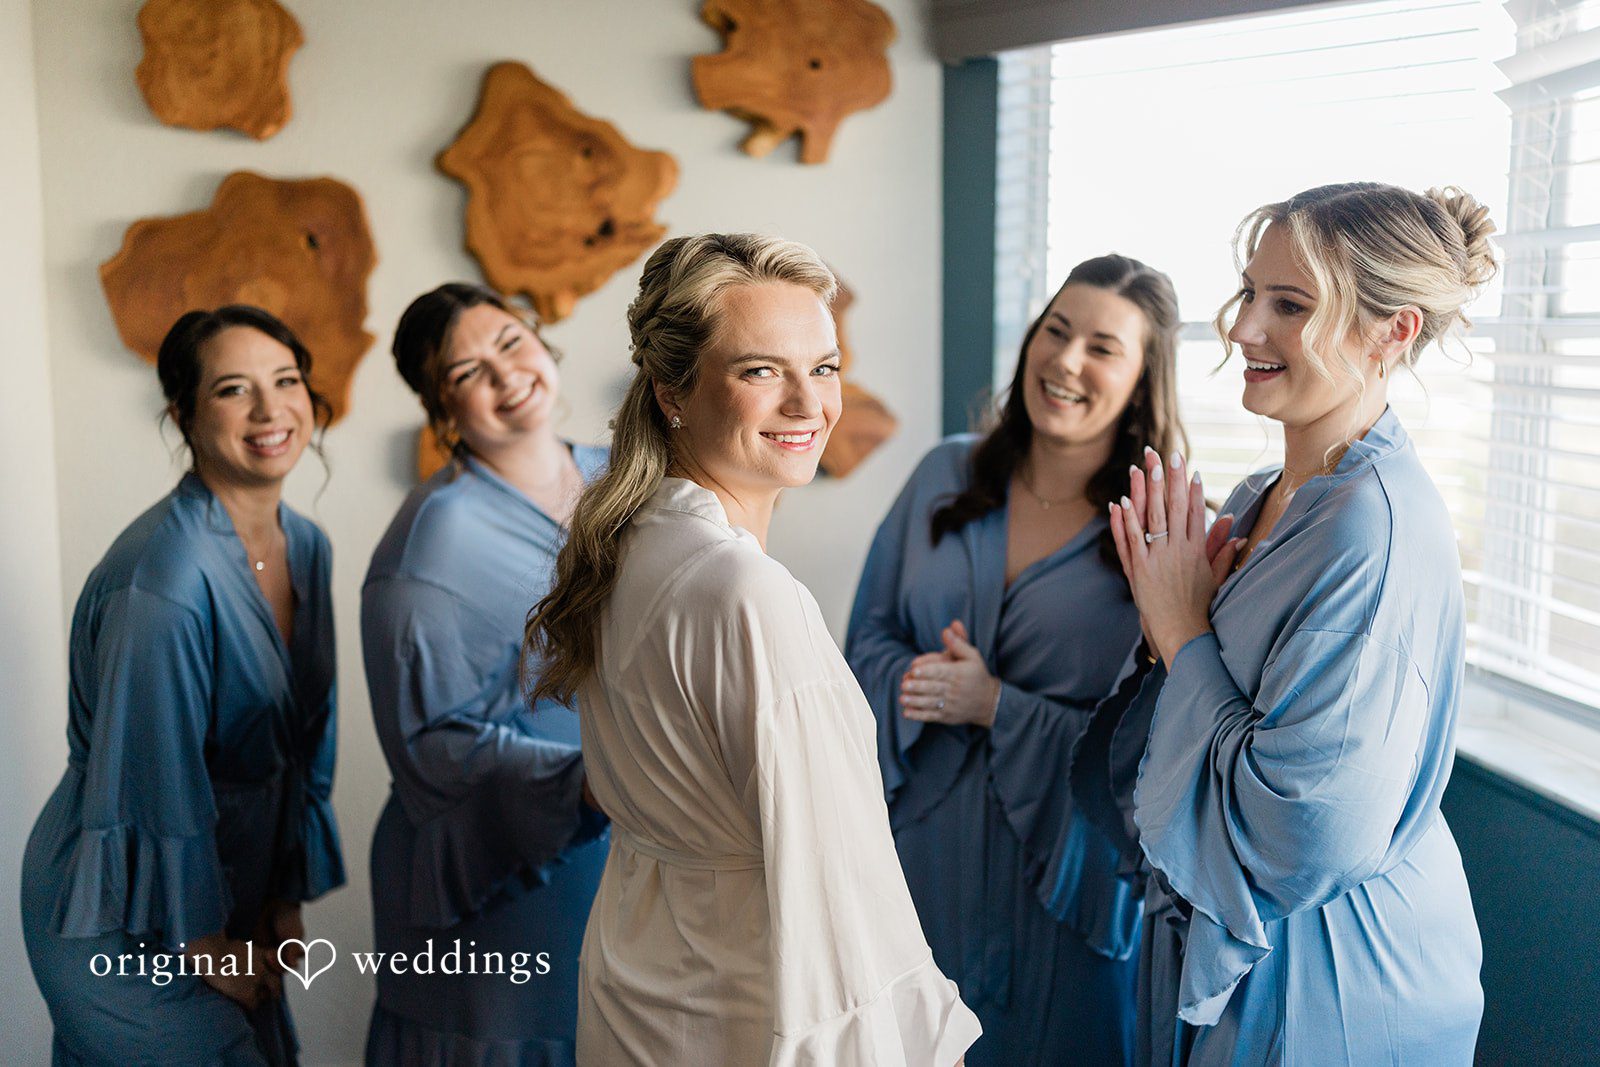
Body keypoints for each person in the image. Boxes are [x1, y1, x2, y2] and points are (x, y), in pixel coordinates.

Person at [526, 233, 982, 1066]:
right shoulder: (747, 595)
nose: (810, 404)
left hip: (639, 988)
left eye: (826, 366)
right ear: (673, 392)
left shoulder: (626, 546)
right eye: (762, 370)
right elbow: (843, 897)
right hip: (747, 1009)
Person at [1082, 182, 1496, 1064]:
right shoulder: (1263, 497)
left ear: (1395, 331)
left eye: (1291, 305)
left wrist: (1180, 627)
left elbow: (1314, 829)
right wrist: (1173, 631)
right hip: (1257, 948)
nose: (1242, 329)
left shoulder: (1369, 530)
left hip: (1334, 979)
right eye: (1250, 293)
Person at [845, 255, 1190, 1064]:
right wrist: (923, 684)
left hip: (1070, 879)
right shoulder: (944, 472)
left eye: (1102, 347)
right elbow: (863, 640)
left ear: (1143, 378)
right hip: (920, 856)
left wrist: (998, 704)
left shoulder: (1159, 525)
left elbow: (1163, 735)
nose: (1066, 360)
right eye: (1056, 331)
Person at [21, 306, 345, 1065]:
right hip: (115, 912)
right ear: (185, 416)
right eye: (234, 389)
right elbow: (155, 776)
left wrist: (282, 892)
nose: (270, 410)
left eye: (287, 380)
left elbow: (307, 737)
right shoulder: (161, 580)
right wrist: (206, 942)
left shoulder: (308, 545)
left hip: (226, 888)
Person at [362, 283, 609, 1066]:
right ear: (442, 409)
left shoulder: (626, 476)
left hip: (628, 834)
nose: (506, 376)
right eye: (468, 372)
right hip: (504, 873)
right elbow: (430, 747)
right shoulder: (431, 548)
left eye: (509, 341)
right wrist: (582, 781)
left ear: (541, 338)